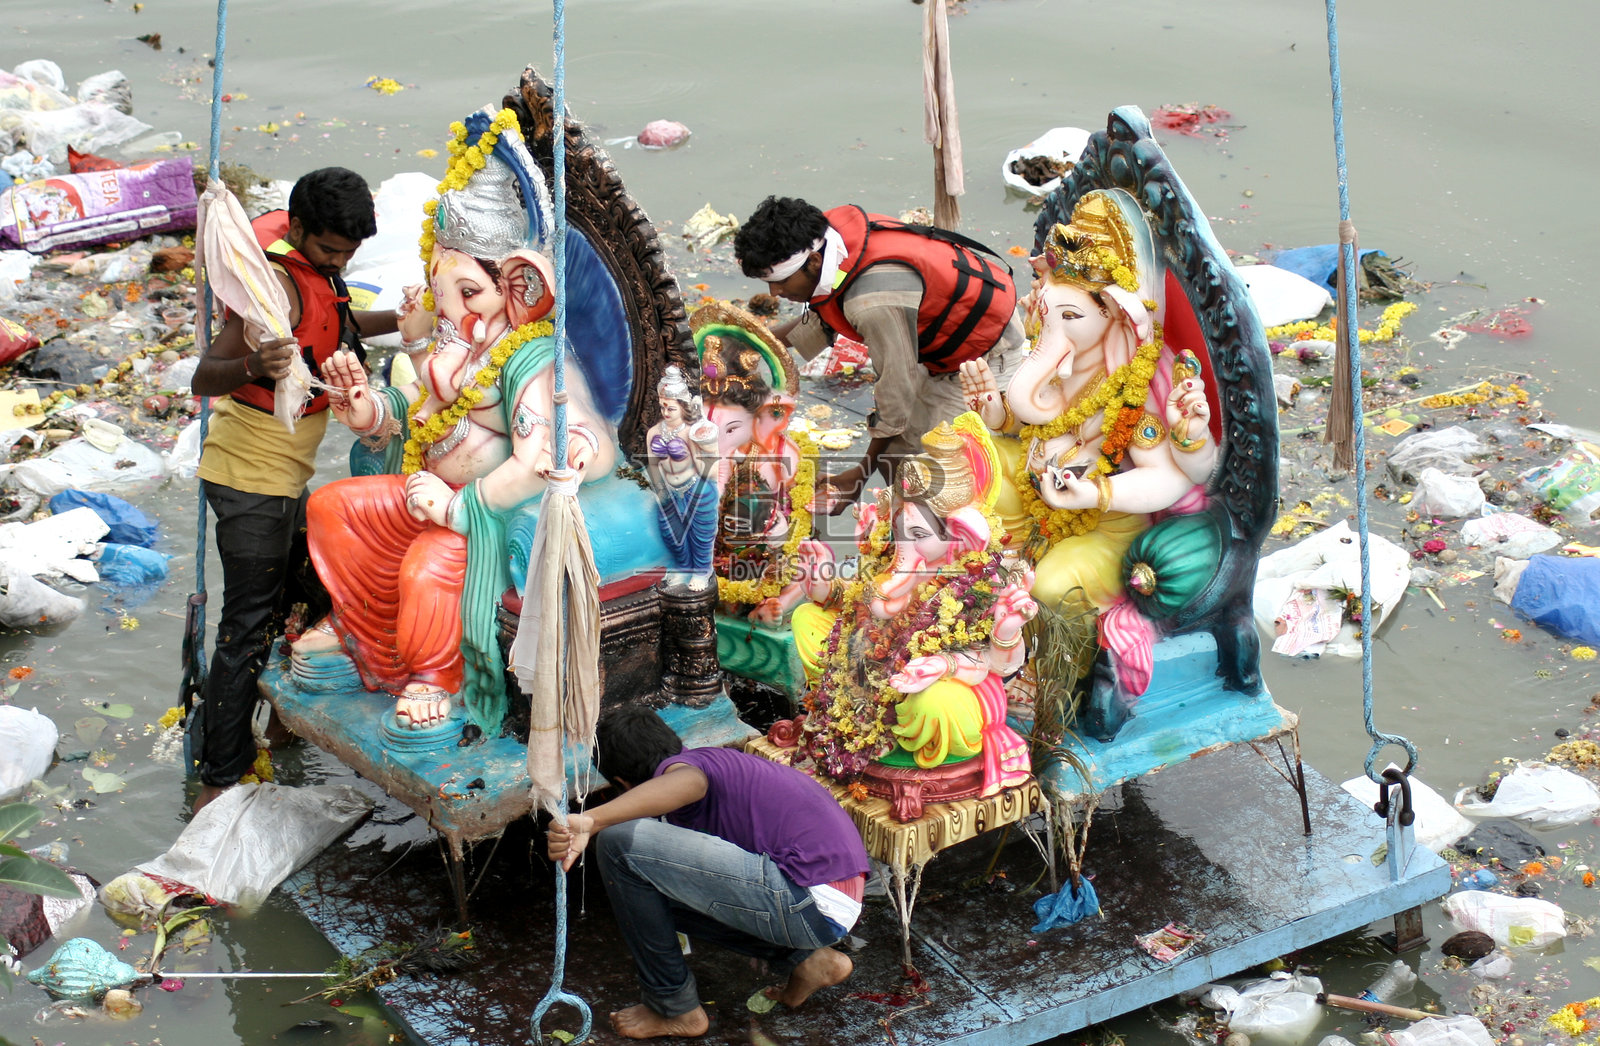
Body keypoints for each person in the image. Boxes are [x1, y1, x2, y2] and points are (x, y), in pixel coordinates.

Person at [190, 166, 404, 811]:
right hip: (249, 478)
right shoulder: (275, 286)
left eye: (349, 253)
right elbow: (205, 376)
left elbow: (338, 323)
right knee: (246, 629)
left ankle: (283, 721)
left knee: (317, 589)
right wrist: (253, 364)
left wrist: (406, 319)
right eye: (330, 250)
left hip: (288, 477)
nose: (339, 261)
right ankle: (218, 782)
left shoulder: (320, 273)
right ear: (301, 229)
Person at [547, 705, 869, 1039]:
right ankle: (808, 960)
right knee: (652, 893)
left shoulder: (687, 771)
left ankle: (674, 1007)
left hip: (806, 898)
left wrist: (593, 820)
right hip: (829, 903)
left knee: (617, 844)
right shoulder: (717, 764)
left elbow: (691, 783)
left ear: (622, 783)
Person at [733, 195, 1026, 514]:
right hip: (926, 338)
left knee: (941, 479)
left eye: (780, 281)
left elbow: (896, 392)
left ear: (814, 262)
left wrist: (858, 475)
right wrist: (749, 342)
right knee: (896, 452)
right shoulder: (828, 242)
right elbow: (828, 309)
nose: (774, 293)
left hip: (981, 356)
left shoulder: (872, 302)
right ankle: (898, 523)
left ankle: (931, 532)